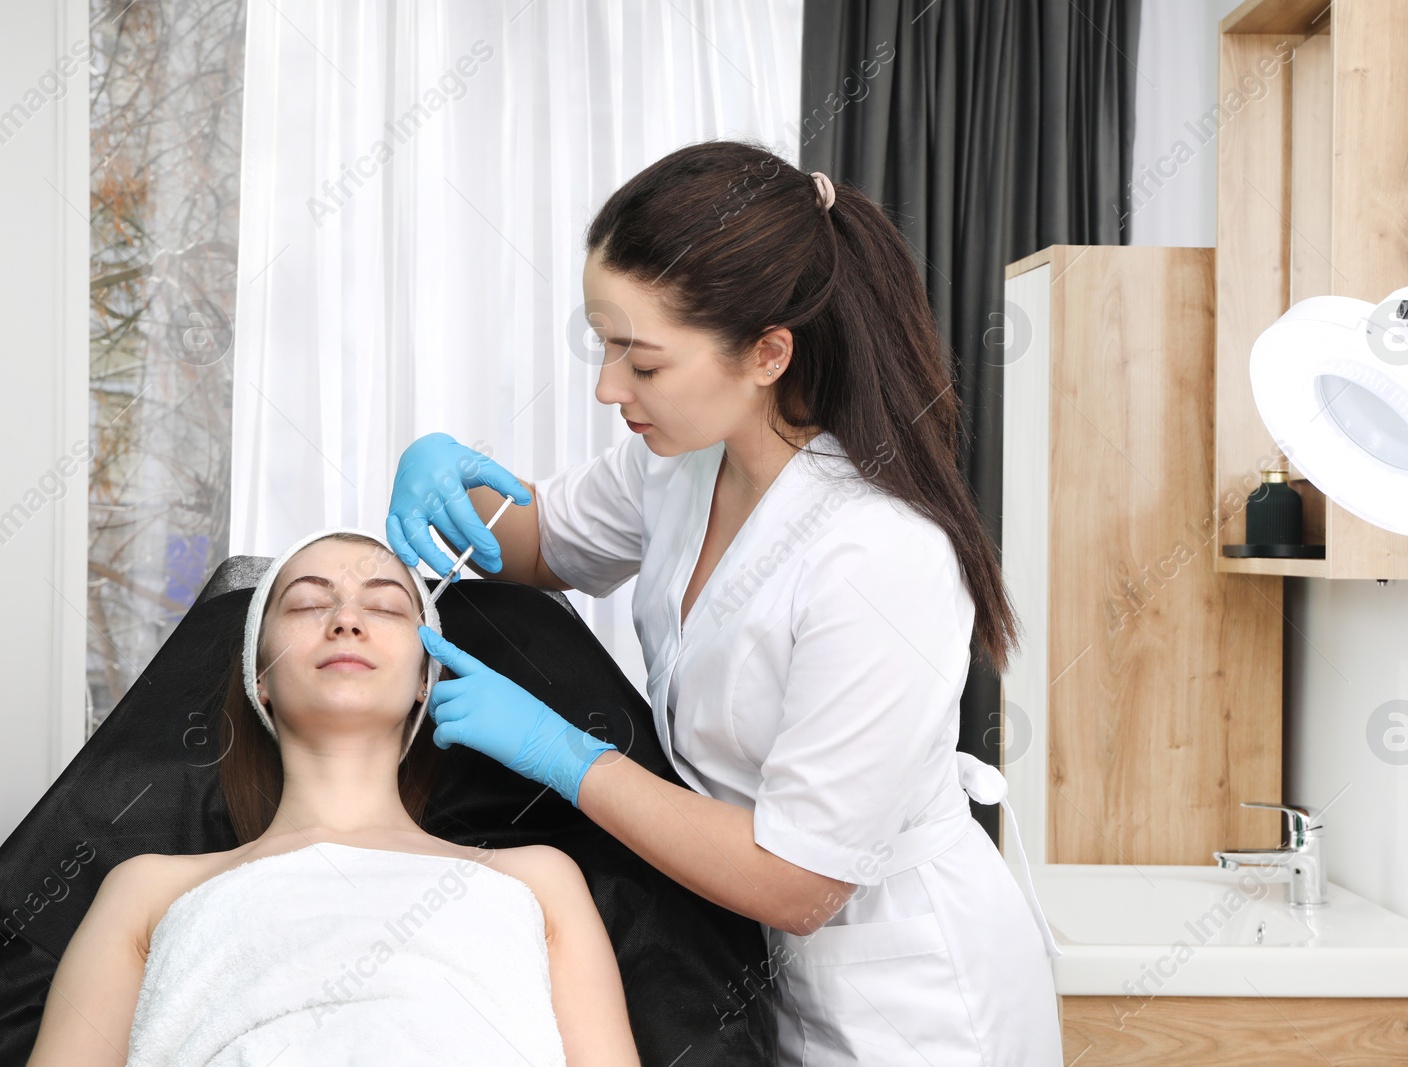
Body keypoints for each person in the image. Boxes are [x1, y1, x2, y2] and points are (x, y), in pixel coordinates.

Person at [387, 140, 1064, 1065]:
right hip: (753, 967)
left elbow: (800, 882)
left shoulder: (878, 556)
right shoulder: (679, 464)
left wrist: (563, 754)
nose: (608, 387)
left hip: (911, 1003)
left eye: (643, 362)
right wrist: (437, 468)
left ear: (767, 352)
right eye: (604, 347)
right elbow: (537, 540)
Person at [25, 531, 639, 1067]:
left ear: (427, 677)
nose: (347, 621)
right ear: (258, 676)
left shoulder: (539, 880)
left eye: (386, 607)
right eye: (310, 602)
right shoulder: (147, 889)